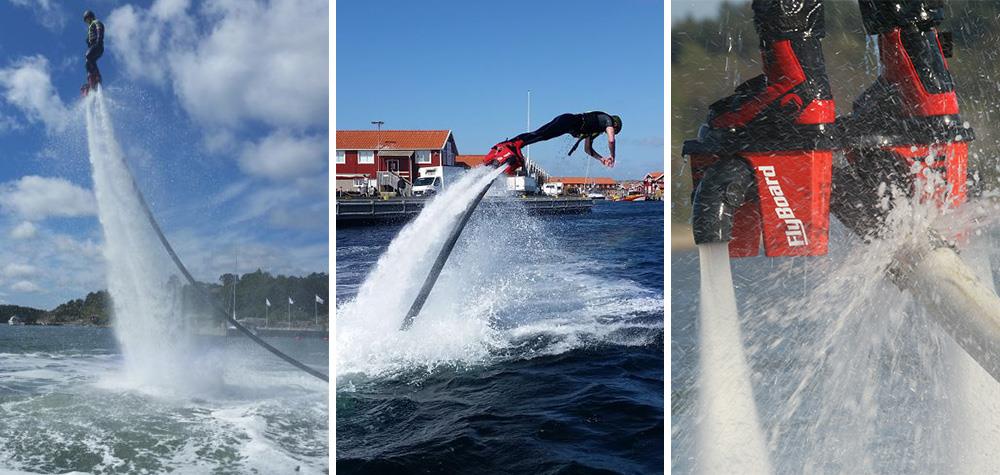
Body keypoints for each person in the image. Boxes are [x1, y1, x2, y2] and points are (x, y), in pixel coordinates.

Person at [483, 111, 622, 173]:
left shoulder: (594, 130)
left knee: (542, 136)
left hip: (566, 123)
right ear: (615, 125)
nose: (610, 132)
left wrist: (601, 159)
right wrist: (612, 157)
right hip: (568, 120)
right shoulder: (607, 119)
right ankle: (509, 145)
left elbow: (587, 150)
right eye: (614, 130)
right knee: (541, 134)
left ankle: (511, 147)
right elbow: (611, 140)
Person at [81, 10, 105, 95]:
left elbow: (99, 29)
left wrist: (99, 39)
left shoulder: (96, 22)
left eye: (87, 19)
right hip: (93, 46)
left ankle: (97, 76)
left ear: (90, 17)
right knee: (88, 63)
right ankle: (91, 80)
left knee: (88, 56)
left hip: (98, 45)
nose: (87, 21)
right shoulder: (90, 28)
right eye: (86, 20)